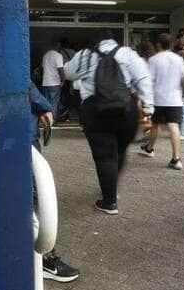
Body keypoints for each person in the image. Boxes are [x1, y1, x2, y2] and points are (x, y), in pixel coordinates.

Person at [64, 30, 153, 215]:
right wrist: (148, 108)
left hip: (95, 110)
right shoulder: (128, 53)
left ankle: (109, 201)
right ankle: (112, 188)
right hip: (126, 109)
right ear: (114, 40)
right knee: (120, 151)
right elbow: (143, 79)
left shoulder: (85, 54)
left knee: (104, 156)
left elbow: (68, 73)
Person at [29, 83, 80, 281]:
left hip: (8, 135)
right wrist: (44, 106)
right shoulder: (3, 59)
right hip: (22, 138)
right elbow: (23, 83)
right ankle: (44, 259)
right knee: (34, 198)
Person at [139, 33, 184, 170]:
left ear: (158, 45)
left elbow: (149, 80)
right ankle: (176, 158)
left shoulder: (154, 60)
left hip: (159, 98)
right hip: (175, 99)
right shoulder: (178, 59)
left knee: (156, 125)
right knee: (174, 126)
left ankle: (149, 149)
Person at [41, 41, 66, 121]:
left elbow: (42, 68)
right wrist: (63, 80)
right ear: (58, 46)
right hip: (54, 83)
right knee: (54, 102)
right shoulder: (58, 56)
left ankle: (46, 121)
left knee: (46, 103)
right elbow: (60, 69)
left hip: (45, 82)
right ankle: (52, 120)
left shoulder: (45, 55)